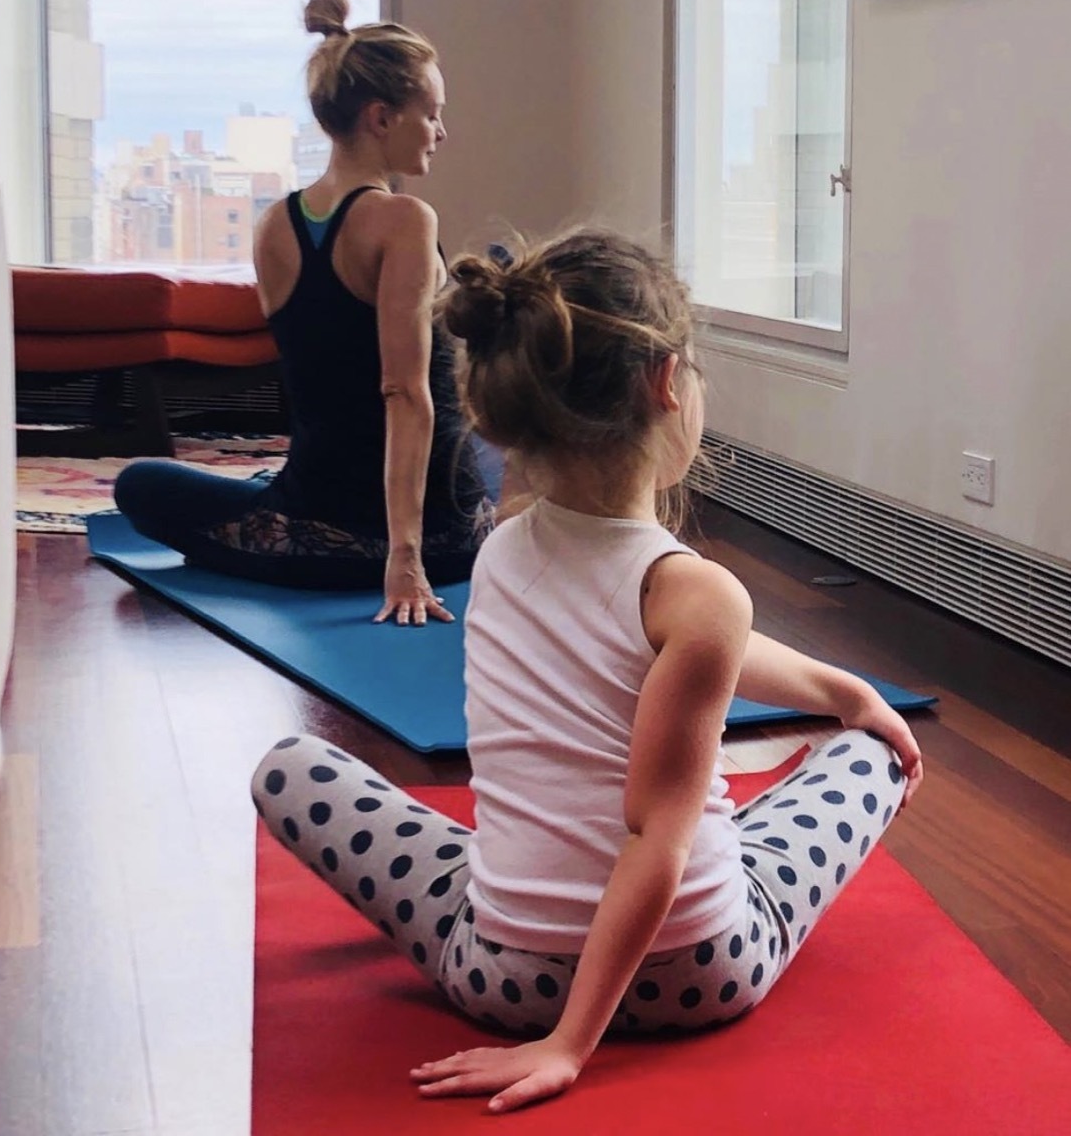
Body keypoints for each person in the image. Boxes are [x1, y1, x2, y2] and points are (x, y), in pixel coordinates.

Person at [251, 229, 924, 1113]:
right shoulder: (698, 595)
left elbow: (696, 651)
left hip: (496, 973)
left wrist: (843, 690)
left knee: (287, 769)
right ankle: (591, 982)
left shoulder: (500, 551)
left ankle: (527, 915)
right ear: (667, 383)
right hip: (701, 972)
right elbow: (656, 840)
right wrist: (568, 1045)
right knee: (869, 756)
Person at [113, 0, 492, 624]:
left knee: (140, 485)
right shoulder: (406, 220)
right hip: (446, 544)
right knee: (487, 454)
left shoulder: (273, 226)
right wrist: (404, 558)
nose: (441, 131)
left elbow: (329, 377)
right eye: (431, 114)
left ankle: (286, 503)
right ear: (381, 118)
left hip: (309, 536)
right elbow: (404, 392)